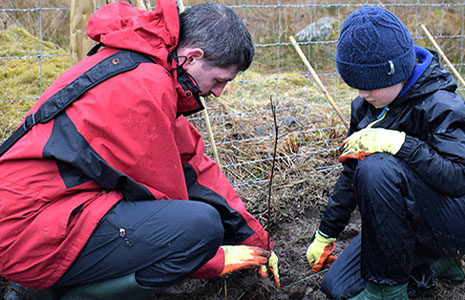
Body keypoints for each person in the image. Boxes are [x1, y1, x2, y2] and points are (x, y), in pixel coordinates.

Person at [0, 1, 280, 299]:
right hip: (26, 230)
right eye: (220, 79)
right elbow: (164, 198)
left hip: (47, 210)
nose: (219, 92)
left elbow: (193, 165)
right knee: (201, 228)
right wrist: (215, 259)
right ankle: (54, 294)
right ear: (193, 57)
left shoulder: (145, 62)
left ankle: (46, 282)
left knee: (189, 222)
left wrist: (257, 240)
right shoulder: (144, 86)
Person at [306, 6, 465, 300]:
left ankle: (387, 292)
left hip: (453, 221)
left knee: (377, 168)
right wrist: (326, 233)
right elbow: (351, 171)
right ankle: (435, 265)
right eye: (356, 87)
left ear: (398, 71)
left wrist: (401, 144)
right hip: (407, 225)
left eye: (370, 87)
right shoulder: (367, 107)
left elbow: (458, 179)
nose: (363, 95)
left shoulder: (440, 105)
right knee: (335, 288)